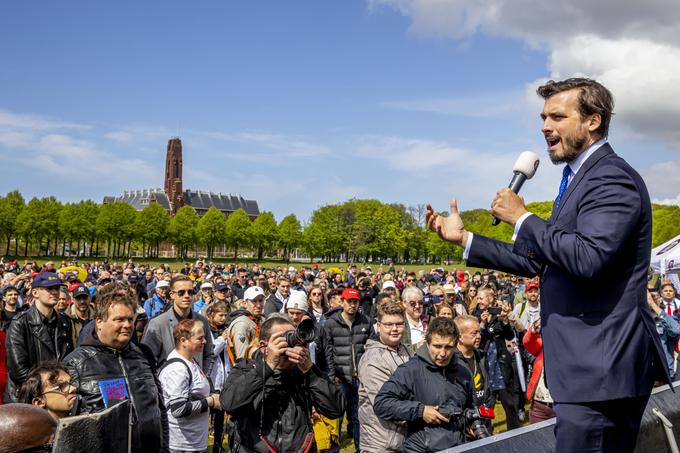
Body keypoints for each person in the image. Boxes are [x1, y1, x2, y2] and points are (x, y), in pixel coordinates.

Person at [426, 77, 669, 452]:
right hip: (584, 375)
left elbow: (588, 258)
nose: (544, 127)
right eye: (543, 117)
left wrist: (522, 219)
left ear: (593, 120)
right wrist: (465, 239)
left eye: (557, 116)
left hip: (601, 375)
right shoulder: (577, 180)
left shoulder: (611, 178)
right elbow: (538, 261)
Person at [63, 282, 168, 451]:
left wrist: (164, 448)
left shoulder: (143, 355)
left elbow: (160, 410)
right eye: (119, 319)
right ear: (99, 322)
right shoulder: (76, 363)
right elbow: (68, 428)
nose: (127, 325)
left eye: (129, 319)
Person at [220, 315, 345, 453]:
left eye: (294, 337)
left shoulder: (304, 373)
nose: (292, 343)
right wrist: (267, 366)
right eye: (284, 339)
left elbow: (335, 410)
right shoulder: (246, 368)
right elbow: (228, 403)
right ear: (264, 346)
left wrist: (310, 372)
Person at [373, 317, 474, 451]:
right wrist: (421, 411)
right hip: (421, 447)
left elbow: (470, 405)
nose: (443, 353)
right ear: (427, 343)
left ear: (456, 344)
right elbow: (381, 403)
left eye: (448, 347)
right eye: (437, 346)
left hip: (458, 446)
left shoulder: (463, 370)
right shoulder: (410, 370)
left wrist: (470, 422)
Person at [6, 272, 74, 400]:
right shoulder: (20, 323)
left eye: (57, 289)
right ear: (35, 293)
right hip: (28, 396)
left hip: (59, 394)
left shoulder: (65, 322)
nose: (54, 292)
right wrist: (50, 389)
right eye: (49, 289)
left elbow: (68, 360)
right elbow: (18, 371)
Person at [159, 319, 221, 453]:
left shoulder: (190, 361)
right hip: (182, 446)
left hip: (193, 442)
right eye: (200, 338)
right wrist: (210, 401)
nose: (205, 341)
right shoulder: (178, 369)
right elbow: (179, 409)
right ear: (183, 341)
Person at [357, 301, 411, 453]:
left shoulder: (405, 350)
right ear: (378, 327)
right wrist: (423, 410)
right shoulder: (373, 360)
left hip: (403, 440)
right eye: (388, 324)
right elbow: (387, 405)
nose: (394, 329)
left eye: (399, 324)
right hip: (381, 444)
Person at [323, 287, 371, 451]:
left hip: (360, 379)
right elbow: (328, 351)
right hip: (340, 378)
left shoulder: (365, 321)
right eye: (349, 301)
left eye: (355, 301)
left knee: (358, 417)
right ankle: (333, 449)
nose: (352, 305)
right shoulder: (330, 323)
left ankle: (360, 448)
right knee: (336, 415)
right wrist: (331, 376)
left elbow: (371, 349)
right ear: (342, 302)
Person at [143, 275, 215, 375]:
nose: (186, 296)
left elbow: (209, 354)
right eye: (181, 292)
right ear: (172, 294)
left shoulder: (202, 321)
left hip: (197, 385)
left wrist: (203, 377)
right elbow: (147, 360)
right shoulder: (158, 323)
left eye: (190, 292)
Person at [454, 315, 495, 423]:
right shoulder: (451, 361)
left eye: (479, 332)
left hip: (484, 419)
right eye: (474, 333)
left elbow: (487, 388)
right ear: (459, 337)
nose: (479, 336)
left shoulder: (481, 356)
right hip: (464, 424)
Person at [206, 302, 230, 453]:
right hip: (210, 378)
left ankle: (218, 444)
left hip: (224, 377)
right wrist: (222, 339)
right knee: (207, 413)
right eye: (220, 315)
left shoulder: (225, 330)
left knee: (221, 415)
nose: (223, 318)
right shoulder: (207, 331)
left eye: (225, 315)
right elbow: (211, 352)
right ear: (211, 315)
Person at [523, 318, 556, 424]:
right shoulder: (543, 346)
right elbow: (527, 342)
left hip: (562, 406)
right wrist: (535, 328)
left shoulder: (570, 349)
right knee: (537, 440)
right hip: (539, 407)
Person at [226, 286, 265, 364]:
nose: (258, 305)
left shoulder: (261, 319)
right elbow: (242, 358)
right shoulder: (241, 324)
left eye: (260, 300)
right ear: (245, 303)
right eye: (254, 301)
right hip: (248, 371)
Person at [401, 286, 429, 355]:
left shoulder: (430, 320)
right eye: (413, 303)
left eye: (420, 303)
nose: (417, 306)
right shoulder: (399, 323)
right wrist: (417, 346)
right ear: (404, 303)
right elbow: (399, 348)